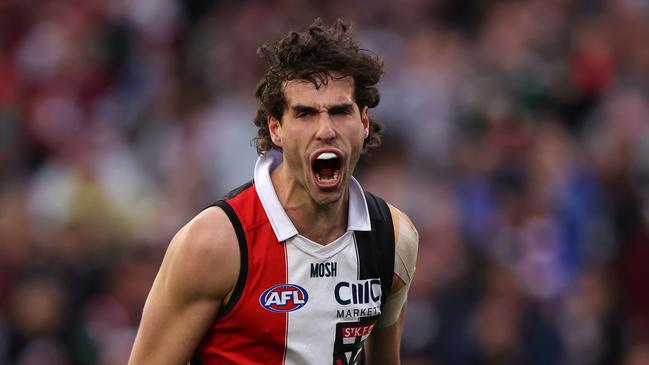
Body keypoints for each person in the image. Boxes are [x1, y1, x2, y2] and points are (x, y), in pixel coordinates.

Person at [128, 18, 418, 365]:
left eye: (340, 111)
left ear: (364, 122)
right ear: (276, 128)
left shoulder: (394, 237)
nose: (325, 130)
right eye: (305, 114)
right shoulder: (214, 243)